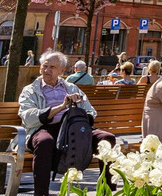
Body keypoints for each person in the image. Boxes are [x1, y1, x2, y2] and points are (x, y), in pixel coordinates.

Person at [18, 50, 117, 194]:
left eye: (52, 67)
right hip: (44, 128)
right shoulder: (30, 91)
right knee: (45, 142)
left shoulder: (71, 88)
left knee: (107, 139)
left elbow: (90, 112)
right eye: (45, 66)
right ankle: (41, 193)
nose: (46, 70)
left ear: (62, 70)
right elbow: (27, 116)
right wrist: (61, 107)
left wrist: (77, 112)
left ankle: (106, 190)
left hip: (73, 128)